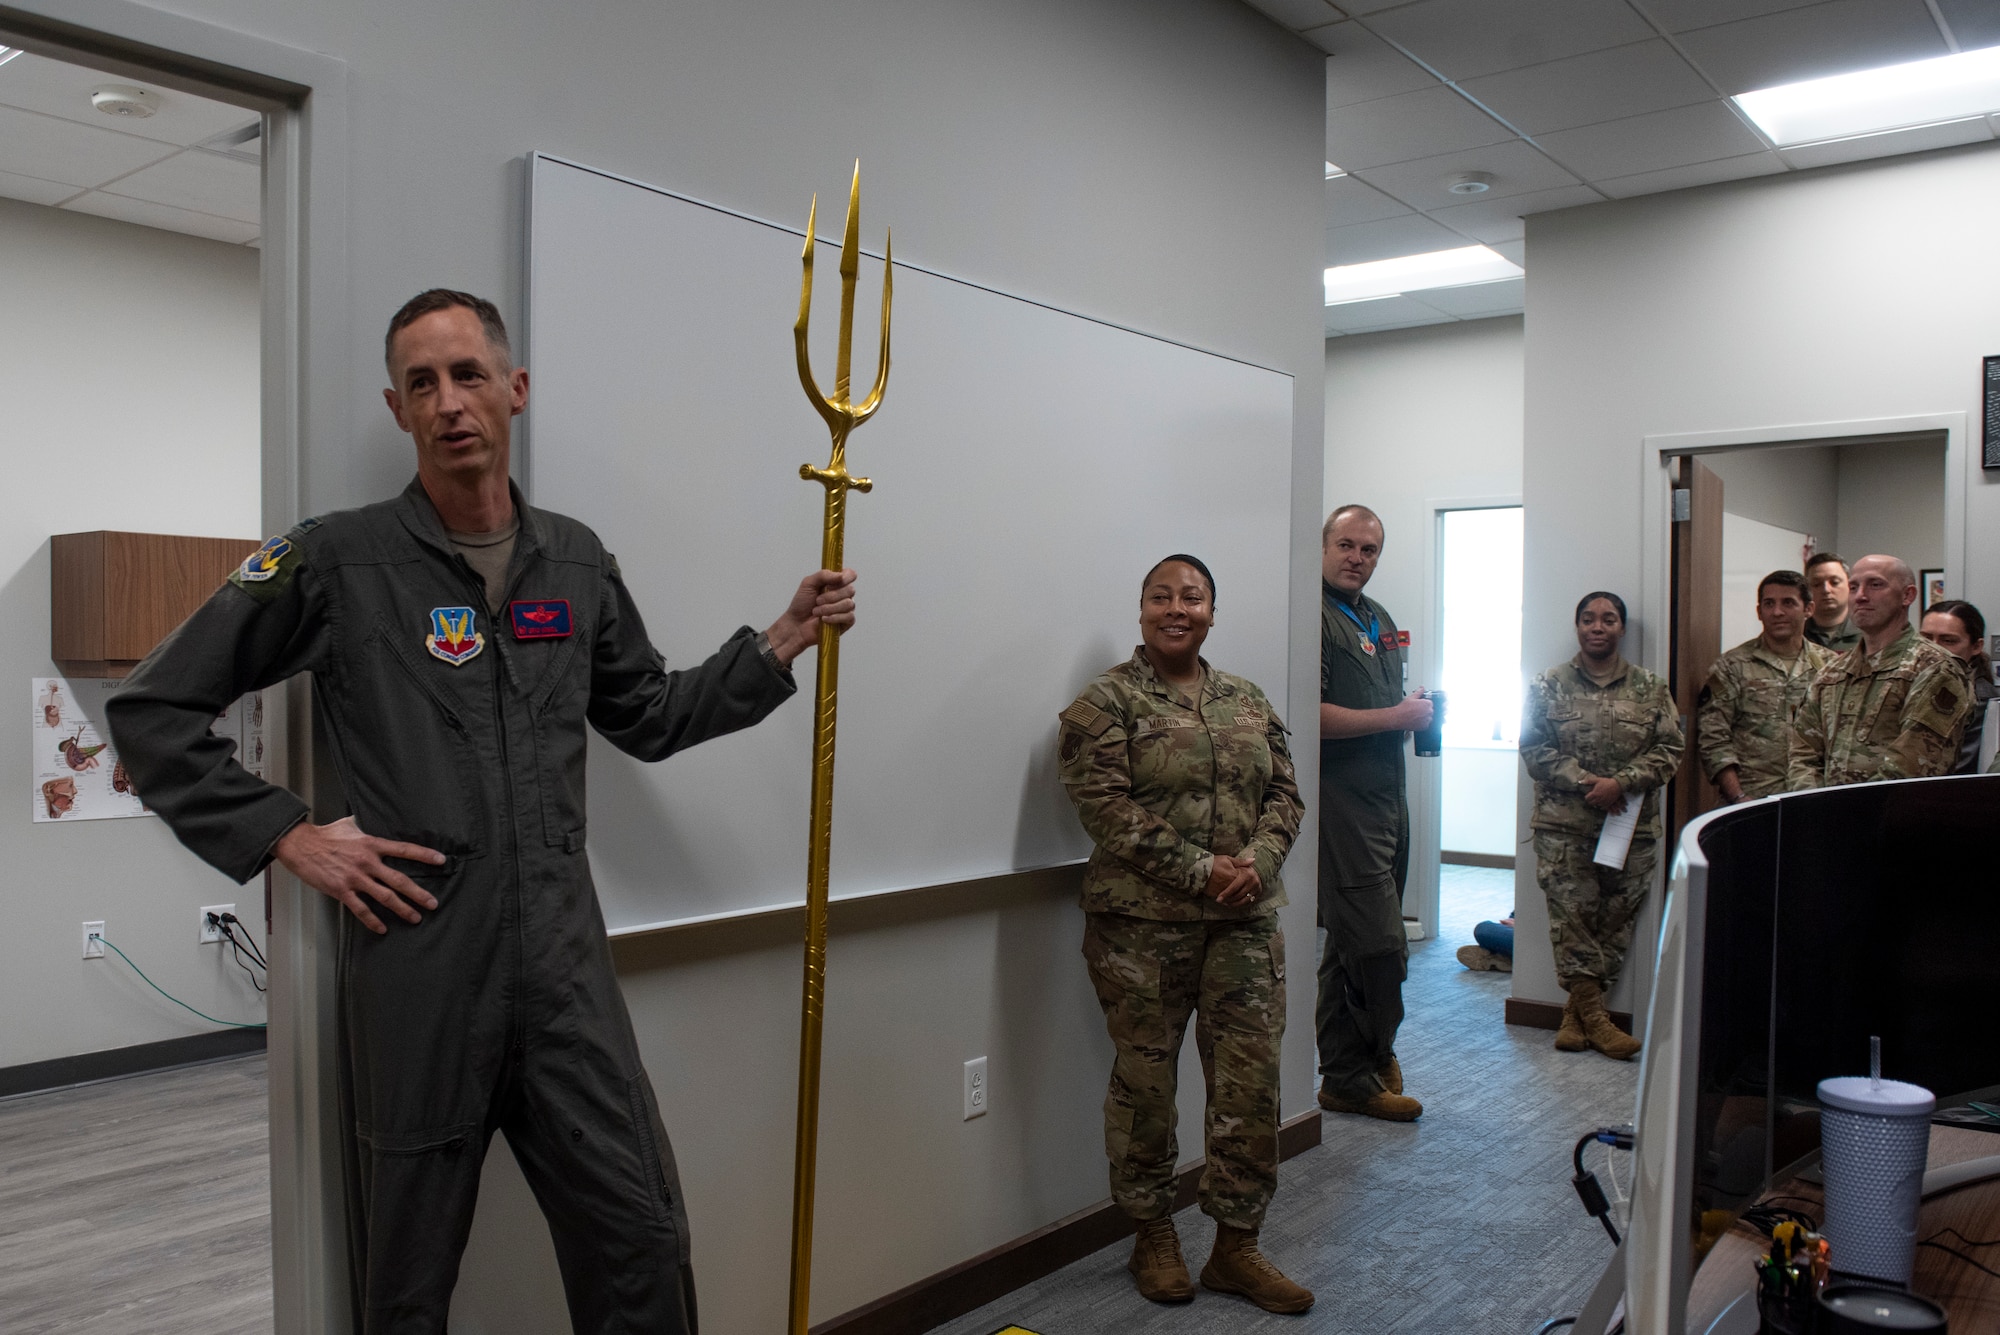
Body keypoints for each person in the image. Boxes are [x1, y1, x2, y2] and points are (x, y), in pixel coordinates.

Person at [106, 290, 858, 1335]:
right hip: (420, 971)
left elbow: (648, 714)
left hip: (565, 974)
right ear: (396, 408)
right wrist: (287, 834)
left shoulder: (576, 561)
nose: (448, 402)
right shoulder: (338, 560)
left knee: (640, 1243)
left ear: (516, 389)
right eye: (421, 383)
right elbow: (152, 710)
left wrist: (778, 640)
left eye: (467, 374)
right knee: (406, 1283)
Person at [1057, 554, 1311, 1315]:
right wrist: (1202, 870)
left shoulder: (1246, 699)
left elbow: (1286, 794)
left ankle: (1237, 1246)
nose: (1177, 608)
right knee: (1147, 1086)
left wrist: (1259, 862)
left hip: (1244, 924)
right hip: (1142, 931)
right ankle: (1153, 1233)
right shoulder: (1107, 701)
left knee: (1250, 1084)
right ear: (1141, 610)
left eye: (1192, 597)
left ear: (1211, 612)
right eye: (1161, 596)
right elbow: (1103, 806)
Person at [1519, 592, 1683, 1061]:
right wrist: (1588, 782)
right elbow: (1533, 747)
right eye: (1588, 619)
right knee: (1571, 920)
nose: (1597, 627)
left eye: (1608, 619)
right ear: (1577, 626)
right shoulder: (1548, 684)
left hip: (1630, 829)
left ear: (1621, 628)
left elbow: (1671, 749)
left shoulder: (1651, 688)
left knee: (1615, 922)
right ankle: (1597, 1019)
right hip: (1564, 827)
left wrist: (1621, 783)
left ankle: (1576, 1016)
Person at [1315, 505, 1428, 1123]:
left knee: (1349, 947)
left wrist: (1411, 709)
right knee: (1382, 947)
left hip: (1389, 798)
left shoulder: (1378, 616)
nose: (1357, 558)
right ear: (1324, 545)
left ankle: (1344, 1077)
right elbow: (1306, 714)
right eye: (1346, 545)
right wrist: (1396, 717)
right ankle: (1376, 1052)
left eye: (1369, 550)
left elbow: (1383, 702)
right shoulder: (1311, 615)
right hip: (1344, 802)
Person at [1788, 555, 1971, 790]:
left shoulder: (1935, 668)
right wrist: (1812, 803)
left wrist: (1841, 808)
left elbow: (1912, 765)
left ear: (1907, 595)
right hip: (1824, 810)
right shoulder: (1832, 672)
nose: (1861, 596)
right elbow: (1803, 754)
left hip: (1896, 810)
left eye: (1875, 585)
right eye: (1854, 587)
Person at [1696, 570, 1833, 803]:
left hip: (1813, 798)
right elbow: (1713, 738)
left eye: (1788, 603)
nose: (1777, 612)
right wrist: (1738, 796)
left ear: (1808, 609)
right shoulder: (1732, 666)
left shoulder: (1830, 667)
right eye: (1769, 604)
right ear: (1759, 612)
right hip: (1752, 799)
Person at [1918, 597, 1992, 775]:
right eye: (1925, 639)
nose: (1933, 649)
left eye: (1948, 641)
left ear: (1976, 646)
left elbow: (1958, 768)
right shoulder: (1912, 682)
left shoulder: (1982, 700)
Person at [1804, 552, 1861, 653]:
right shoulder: (1796, 634)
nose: (1826, 590)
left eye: (1834, 582)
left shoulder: (1869, 632)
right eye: (1816, 584)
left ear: (1850, 585)